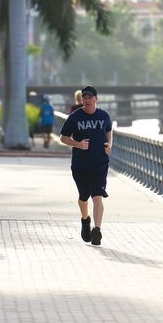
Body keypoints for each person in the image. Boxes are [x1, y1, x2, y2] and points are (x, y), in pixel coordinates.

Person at [59, 85, 112, 246]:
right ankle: (84, 219)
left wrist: (110, 144)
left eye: (90, 97)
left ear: (96, 99)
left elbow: (109, 131)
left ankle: (97, 229)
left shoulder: (104, 116)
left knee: (97, 195)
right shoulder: (75, 117)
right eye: (85, 97)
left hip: (100, 163)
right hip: (80, 164)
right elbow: (63, 137)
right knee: (83, 197)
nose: (87, 100)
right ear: (81, 99)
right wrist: (78, 144)